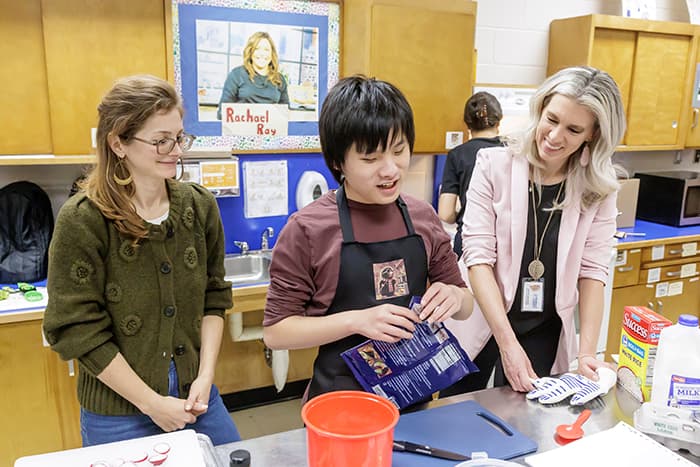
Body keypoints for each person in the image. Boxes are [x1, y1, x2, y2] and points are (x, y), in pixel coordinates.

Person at [42, 75, 241, 446]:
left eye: (179, 137)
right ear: (118, 143)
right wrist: (152, 404)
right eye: (160, 140)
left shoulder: (199, 207)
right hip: (119, 414)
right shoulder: (84, 220)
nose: (176, 150)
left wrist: (205, 377)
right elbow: (75, 330)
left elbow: (214, 298)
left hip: (196, 397)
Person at [262, 75, 474, 402]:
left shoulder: (423, 216)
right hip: (340, 403)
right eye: (371, 159)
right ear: (338, 162)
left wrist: (454, 298)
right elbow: (276, 333)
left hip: (414, 397)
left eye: (399, 151)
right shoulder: (308, 228)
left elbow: (464, 304)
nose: (390, 170)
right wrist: (356, 321)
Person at [441, 66, 626, 396]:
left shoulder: (599, 187)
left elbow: (593, 271)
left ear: (593, 134)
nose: (555, 137)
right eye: (552, 120)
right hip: (485, 317)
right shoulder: (494, 165)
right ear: (540, 109)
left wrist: (586, 353)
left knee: (527, 423)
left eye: (573, 129)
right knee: (460, 414)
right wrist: (507, 343)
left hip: (545, 329)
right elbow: (478, 258)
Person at [438, 91, 503, 257]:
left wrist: (461, 213)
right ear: (498, 121)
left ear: (468, 125)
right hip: (504, 241)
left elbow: (445, 214)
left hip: (469, 240)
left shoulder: (457, 155)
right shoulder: (513, 152)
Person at [216, 31, 289, 119]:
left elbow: (285, 113)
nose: (262, 53)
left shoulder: (279, 79)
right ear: (250, 52)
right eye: (257, 49)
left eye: (266, 50)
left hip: (269, 131)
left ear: (272, 53)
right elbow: (222, 113)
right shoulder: (236, 75)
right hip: (240, 131)